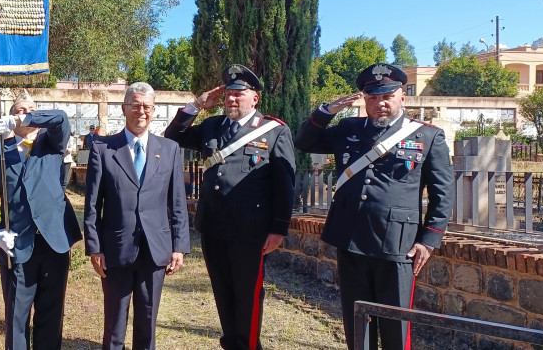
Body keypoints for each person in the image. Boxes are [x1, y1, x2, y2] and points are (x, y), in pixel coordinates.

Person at [294, 63, 455, 350]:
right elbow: (304, 142)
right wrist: (325, 112)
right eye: (372, 97)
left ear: (402, 96)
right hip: (351, 237)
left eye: (386, 96)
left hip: (397, 244)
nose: (379, 103)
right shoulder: (348, 128)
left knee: (395, 324)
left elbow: (443, 193)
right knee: (357, 322)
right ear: (364, 100)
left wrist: (428, 241)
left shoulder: (427, 136)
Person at [165, 64, 295, 350]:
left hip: (251, 232)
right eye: (228, 95)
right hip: (213, 226)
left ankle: (248, 346)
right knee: (223, 293)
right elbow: (172, 139)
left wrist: (278, 228)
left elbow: (285, 185)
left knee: (247, 295)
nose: (232, 100)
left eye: (239, 94)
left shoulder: (274, 131)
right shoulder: (213, 126)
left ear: (254, 99)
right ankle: (232, 343)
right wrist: (198, 104)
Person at [83, 82, 190, 350]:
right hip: (115, 250)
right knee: (114, 327)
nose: (140, 111)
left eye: (146, 106)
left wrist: (179, 247)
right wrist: (94, 248)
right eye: (135, 105)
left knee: (147, 324)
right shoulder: (103, 149)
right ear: (124, 108)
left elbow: (177, 201)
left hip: (156, 250)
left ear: (153, 111)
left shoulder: (169, 149)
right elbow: (93, 205)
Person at [0, 93, 82, 350]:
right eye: (20, 110)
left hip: (54, 242)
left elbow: (61, 118)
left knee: (51, 316)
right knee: (17, 319)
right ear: (10, 114)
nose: (26, 113)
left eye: (32, 109)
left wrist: (22, 118)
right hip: (16, 246)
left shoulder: (53, 144)